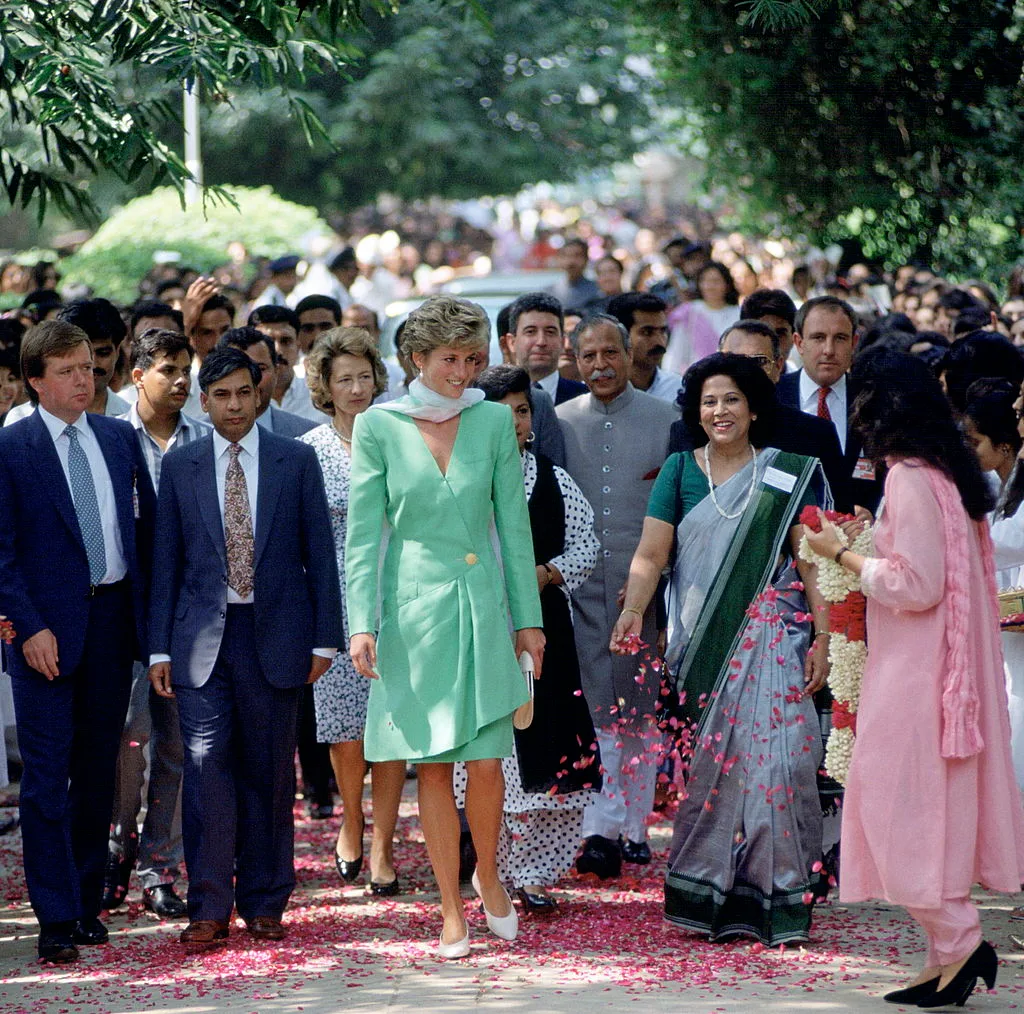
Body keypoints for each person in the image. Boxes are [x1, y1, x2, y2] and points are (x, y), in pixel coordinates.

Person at [804, 350, 1024, 1007]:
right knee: (926, 815)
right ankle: (944, 960)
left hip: (917, 672)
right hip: (939, 670)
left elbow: (916, 583)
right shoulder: (947, 472)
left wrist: (839, 552)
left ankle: (960, 941)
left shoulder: (909, 476)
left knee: (894, 812)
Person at [345, 295, 545, 958]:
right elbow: (363, 538)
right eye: (449, 359)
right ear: (415, 359)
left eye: (473, 358)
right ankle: (450, 908)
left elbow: (514, 529)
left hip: (482, 608)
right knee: (430, 767)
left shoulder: (492, 422)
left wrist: (528, 623)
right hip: (411, 617)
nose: (463, 371)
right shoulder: (377, 426)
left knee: (486, 763)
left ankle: (488, 871)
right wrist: (360, 623)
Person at [612, 352, 829, 945]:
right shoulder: (681, 470)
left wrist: (826, 638)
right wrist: (633, 609)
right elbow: (652, 555)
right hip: (703, 647)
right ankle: (707, 898)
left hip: (776, 643)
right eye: (709, 401)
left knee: (782, 765)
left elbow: (813, 565)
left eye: (731, 398)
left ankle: (777, 900)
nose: (720, 410)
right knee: (717, 774)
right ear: (696, 411)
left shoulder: (787, 471)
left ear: (755, 407)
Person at [148, 345, 342, 948]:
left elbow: (320, 557)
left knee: (267, 772)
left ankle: (264, 901)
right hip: (202, 641)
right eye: (221, 395)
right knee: (206, 770)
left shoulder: (294, 459)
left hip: (276, 634)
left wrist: (326, 640)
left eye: (243, 393)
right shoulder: (181, 466)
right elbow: (167, 564)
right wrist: (158, 650)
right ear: (204, 402)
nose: (234, 405)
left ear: (259, 394)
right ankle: (208, 906)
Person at [0, 319, 156, 963]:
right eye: (65, 370)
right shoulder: (13, 450)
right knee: (45, 777)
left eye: (88, 367)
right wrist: (27, 628)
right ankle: (54, 913)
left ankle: (88, 901)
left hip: (113, 622)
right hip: (42, 631)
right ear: (35, 381)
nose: (82, 379)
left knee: (98, 770)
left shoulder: (120, 439)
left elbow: (145, 539)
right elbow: (2, 554)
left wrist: (151, 636)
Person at [465, 365, 601, 913]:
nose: (513, 420)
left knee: (551, 749)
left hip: (545, 631)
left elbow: (587, 546)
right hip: (477, 629)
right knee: (490, 752)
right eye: (500, 411)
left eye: (521, 410)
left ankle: (537, 874)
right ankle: (490, 870)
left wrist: (546, 574)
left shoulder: (554, 478)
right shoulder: (460, 477)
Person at [557, 314, 677, 879]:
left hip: (645, 589)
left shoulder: (667, 419)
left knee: (640, 708)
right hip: (577, 587)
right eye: (588, 356)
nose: (600, 365)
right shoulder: (559, 422)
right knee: (593, 706)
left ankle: (635, 827)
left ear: (630, 357)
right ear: (574, 362)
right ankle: (598, 827)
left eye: (611, 354)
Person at [103, 329, 210, 919]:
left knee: (175, 747)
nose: (180, 381)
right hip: (127, 614)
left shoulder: (204, 438)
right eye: (168, 369)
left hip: (190, 616)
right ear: (137, 374)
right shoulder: (114, 437)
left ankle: (160, 869)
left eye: (185, 370)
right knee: (127, 739)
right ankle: (116, 848)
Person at [299, 327, 406, 894]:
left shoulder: (398, 436)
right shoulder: (309, 450)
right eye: (345, 379)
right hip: (333, 601)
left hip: (394, 595)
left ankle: (385, 845)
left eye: (365, 376)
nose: (358, 388)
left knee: (390, 724)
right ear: (325, 386)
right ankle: (351, 816)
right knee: (345, 731)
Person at [669, 321, 850, 510]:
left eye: (758, 361)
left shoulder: (815, 434)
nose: (743, 371)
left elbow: (838, 514)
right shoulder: (688, 431)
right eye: (734, 360)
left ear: (779, 366)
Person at [778, 295, 884, 513]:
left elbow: (887, 475)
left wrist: (872, 512)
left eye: (840, 338)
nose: (828, 349)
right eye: (818, 338)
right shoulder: (774, 397)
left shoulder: (875, 400)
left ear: (854, 343)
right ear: (799, 343)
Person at [218, 327, 316, 438]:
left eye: (260, 368)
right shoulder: (200, 433)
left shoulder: (308, 436)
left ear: (276, 371)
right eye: (237, 369)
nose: (250, 380)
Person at [663, 261, 741, 376]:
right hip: (696, 377)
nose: (710, 286)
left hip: (730, 376)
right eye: (705, 281)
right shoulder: (689, 312)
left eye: (716, 281)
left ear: (727, 284)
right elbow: (676, 352)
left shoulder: (738, 313)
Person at [249, 304, 321, 422]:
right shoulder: (238, 400)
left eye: (285, 341)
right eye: (268, 342)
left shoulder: (319, 398)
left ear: (298, 347)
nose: (277, 350)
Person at [605, 292, 680, 404]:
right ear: (618, 336)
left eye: (663, 331)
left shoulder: (679, 389)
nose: (659, 341)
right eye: (647, 332)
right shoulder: (598, 390)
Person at [547, 238, 602, 313]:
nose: (571, 261)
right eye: (567, 256)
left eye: (577, 255)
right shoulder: (550, 293)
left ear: (586, 259)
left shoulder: (599, 290)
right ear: (560, 259)